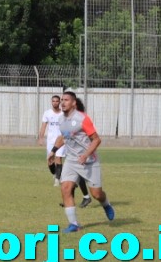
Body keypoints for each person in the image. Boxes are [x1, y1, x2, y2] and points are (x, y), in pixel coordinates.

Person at [48, 91, 115, 233]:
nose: (62, 102)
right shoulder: (61, 120)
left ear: (73, 103)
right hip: (71, 160)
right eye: (61, 100)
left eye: (66, 100)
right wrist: (53, 151)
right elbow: (63, 137)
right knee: (65, 188)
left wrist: (85, 155)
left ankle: (106, 204)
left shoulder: (82, 119)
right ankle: (74, 224)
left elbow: (97, 139)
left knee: (96, 194)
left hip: (89, 161)